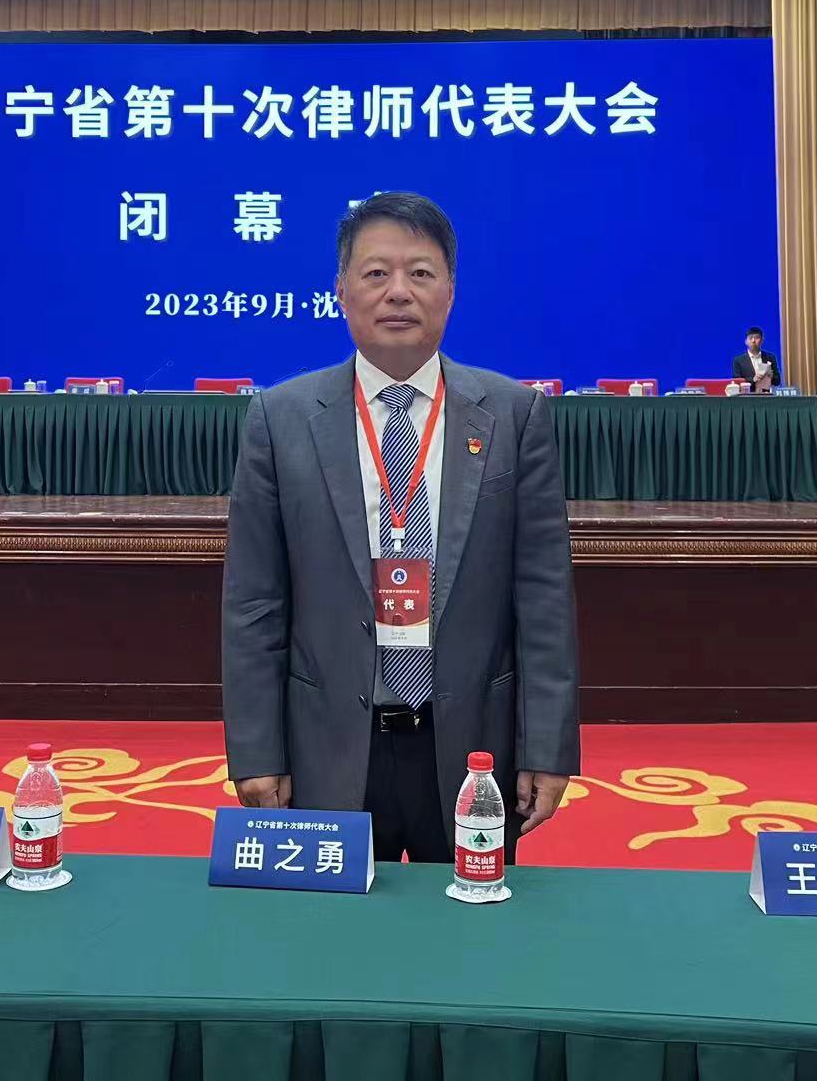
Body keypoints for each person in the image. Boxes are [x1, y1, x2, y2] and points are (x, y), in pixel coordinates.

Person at [222, 191, 581, 863]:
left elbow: (543, 599)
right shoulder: (280, 419)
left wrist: (546, 746)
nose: (398, 292)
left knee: (470, 922)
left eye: (420, 273)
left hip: (473, 746)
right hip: (327, 747)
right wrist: (256, 750)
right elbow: (255, 603)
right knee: (333, 927)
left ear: (450, 292)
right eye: (376, 273)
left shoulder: (513, 416)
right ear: (341, 291)